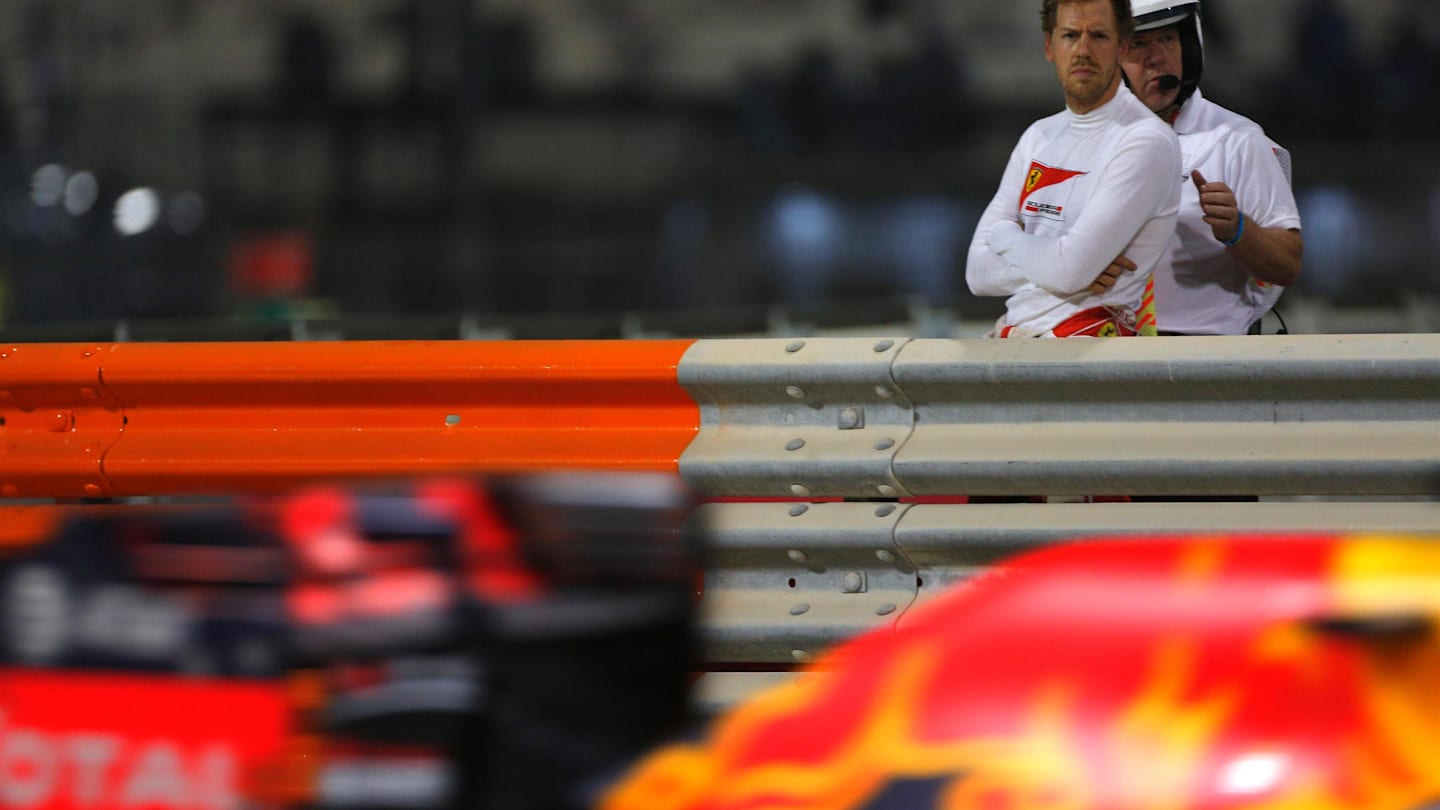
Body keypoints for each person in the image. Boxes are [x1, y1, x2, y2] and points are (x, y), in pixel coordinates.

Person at [966, 0, 1181, 338]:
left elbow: (1069, 271)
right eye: (1070, 35)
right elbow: (977, 273)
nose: (1083, 50)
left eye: (1098, 35)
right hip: (1015, 343)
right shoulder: (1038, 135)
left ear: (1122, 47)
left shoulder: (1146, 141)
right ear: (1050, 47)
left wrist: (1003, 235)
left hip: (1091, 352)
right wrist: (1057, 261)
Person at [1121, 0, 1303, 335]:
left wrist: (1237, 229)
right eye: (1138, 44)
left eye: (1168, 40)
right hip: (1104, 351)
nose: (1157, 56)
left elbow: (1287, 265)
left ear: (1189, 45)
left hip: (1208, 357)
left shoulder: (1236, 139)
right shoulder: (1081, 141)